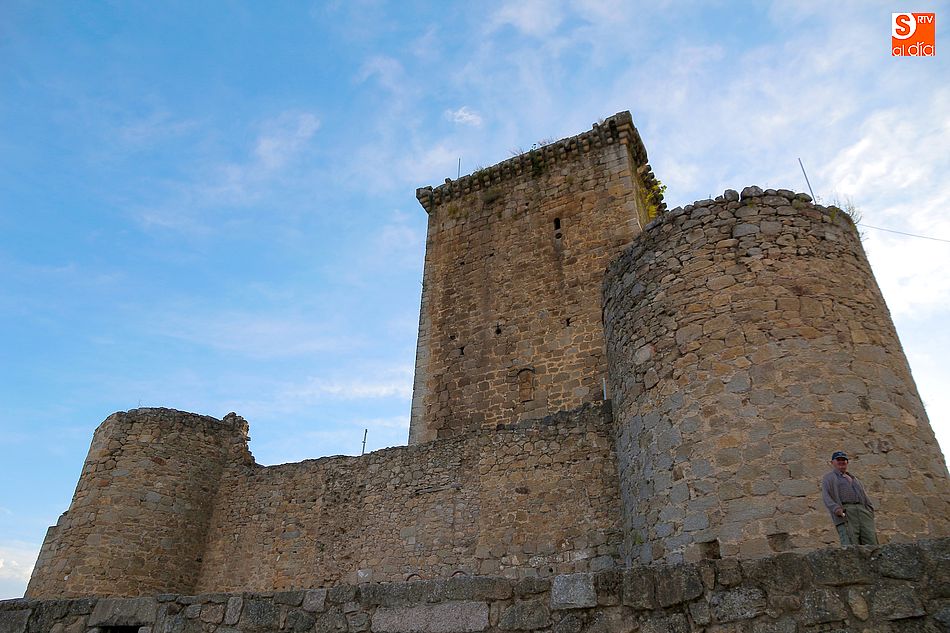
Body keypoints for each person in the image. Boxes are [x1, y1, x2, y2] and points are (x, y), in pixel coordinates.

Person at [821, 450, 878, 545]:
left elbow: (864, 495)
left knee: (871, 541)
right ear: (832, 462)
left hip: (862, 511)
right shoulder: (829, 478)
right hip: (846, 512)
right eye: (838, 459)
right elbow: (826, 496)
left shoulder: (854, 478)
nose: (841, 462)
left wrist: (869, 509)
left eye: (844, 460)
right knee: (850, 543)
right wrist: (837, 509)